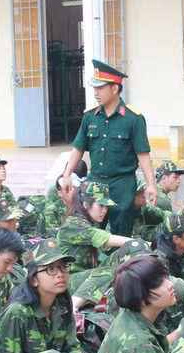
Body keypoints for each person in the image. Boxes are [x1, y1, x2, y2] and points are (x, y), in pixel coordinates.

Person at [59, 59, 156, 238]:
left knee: (121, 231)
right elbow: (78, 148)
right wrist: (66, 175)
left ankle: (119, 265)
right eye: (94, 88)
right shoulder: (90, 117)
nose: (96, 93)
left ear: (115, 88)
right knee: (91, 231)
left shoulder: (133, 119)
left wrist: (151, 184)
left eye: (100, 88)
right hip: (96, 181)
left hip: (122, 183)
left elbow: (143, 154)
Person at [0, 240, 83, 353]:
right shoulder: (18, 312)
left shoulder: (63, 305)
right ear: (33, 280)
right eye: (51, 269)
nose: (60, 274)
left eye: (63, 267)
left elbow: (73, 350)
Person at [57, 180, 134, 293]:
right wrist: (137, 242)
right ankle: (75, 304)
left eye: (106, 206)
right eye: (101, 205)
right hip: (69, 279)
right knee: (108, 272)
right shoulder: (73, 224)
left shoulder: (90, 223)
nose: (104, 210)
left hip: (87, 275)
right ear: (85, 204)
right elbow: (105, 238)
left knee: (122, 257)